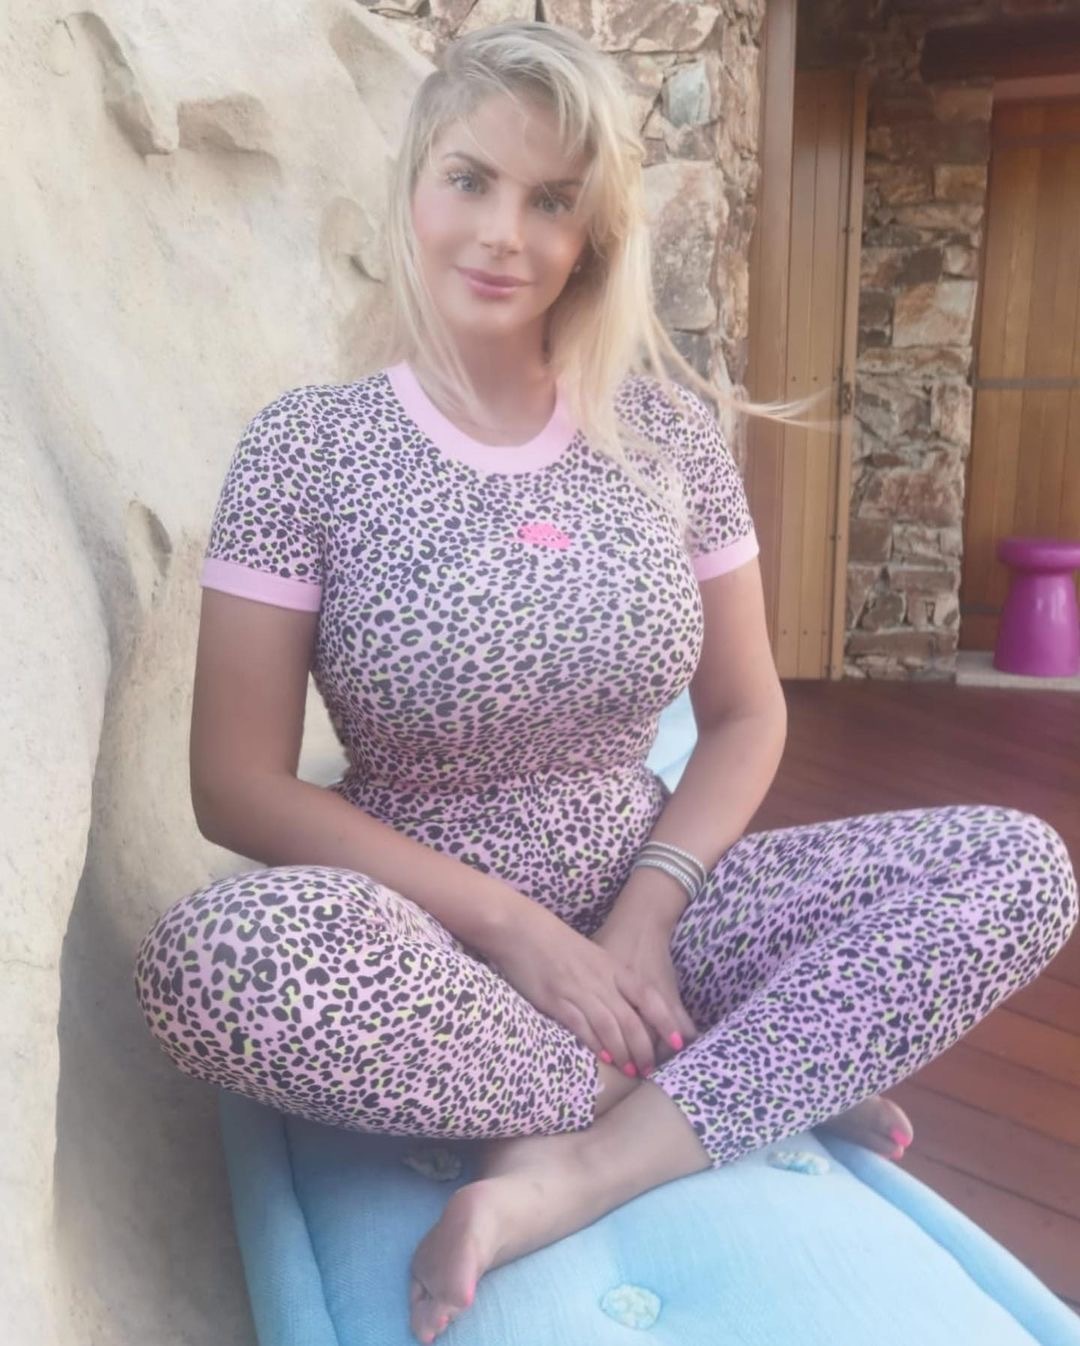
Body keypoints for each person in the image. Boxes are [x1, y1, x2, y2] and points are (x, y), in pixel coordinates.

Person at [133, 19, 1079, 1346]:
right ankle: (739, 1082)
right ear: (414, 187)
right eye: (470, 180)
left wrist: (645, 912)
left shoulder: (667, 438)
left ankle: (589, 1162)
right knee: (215, 960)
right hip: (435, 943)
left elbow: (747, 714)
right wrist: (521, 931)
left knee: (1014, 867)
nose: (502, 234)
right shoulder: (308, 449)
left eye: (551, 200)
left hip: (660, 913)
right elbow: (233, 784)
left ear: (594, 235)